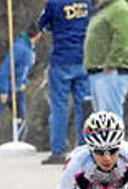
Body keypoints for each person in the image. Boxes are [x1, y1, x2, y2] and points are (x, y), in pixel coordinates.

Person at [37, 0, 92, 165]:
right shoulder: (87, 2)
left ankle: (58, 151)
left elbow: (41, 24)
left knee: (59, 107)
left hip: (61, 60)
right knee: (83, 106)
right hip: (84, 59)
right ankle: (85, 148)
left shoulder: (54, 3)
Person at [0, 24, 40, 143]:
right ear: (37, 35)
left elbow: (24, 70)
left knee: (21, 117)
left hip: (18, 89)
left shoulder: (29, 48)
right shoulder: (19, 47)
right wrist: (3, 90)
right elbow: (6, 68)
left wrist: (24, 82)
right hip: (6, 87)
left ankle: (19, 141)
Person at [83, 0, 128, 120]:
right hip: (98, 73)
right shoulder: (105, 10)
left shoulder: (121, 9)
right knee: (101, 120)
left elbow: (123, 40)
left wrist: (111, 64)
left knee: (111, 118)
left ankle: (115, 139)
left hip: (111, 73)